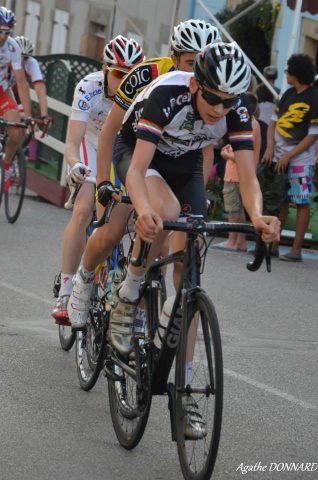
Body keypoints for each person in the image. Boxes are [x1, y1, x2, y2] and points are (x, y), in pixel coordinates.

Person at [67, 19, 221, 326]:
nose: (199, 71)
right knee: (112, 230)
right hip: (134, 151)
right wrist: (104, 182)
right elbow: (110, 132)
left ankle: (138, 308)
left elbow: (204, 150)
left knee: (164, 240)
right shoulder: (146, 75)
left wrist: (194, 199)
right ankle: (83, 281)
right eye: (192, 62)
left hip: (173, 163)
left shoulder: (210, 89)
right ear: (175, 57)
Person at [51, 35, 144, 324]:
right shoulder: (88, 87)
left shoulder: (144, 91)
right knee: (83, 208)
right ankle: (67, 290)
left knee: (131, 212)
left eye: (131, 74)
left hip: (122, 150)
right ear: (105, 70)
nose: (125, 80)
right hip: (90, 146)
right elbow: (72, 141)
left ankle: (118, 274)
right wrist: (75, 165)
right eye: (118, 73)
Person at [262, 53, 318, 262]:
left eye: (287, 70)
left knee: (301, 202)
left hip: (301, 160)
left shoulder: (314, 96)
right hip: (279, 156)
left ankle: (296, 251)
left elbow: (313, 134)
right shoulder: (286, 94)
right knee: (281, 200)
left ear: (296, 73)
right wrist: (270, 148)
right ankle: (273, 246)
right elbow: (273, 123)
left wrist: (289, 156)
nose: (285, 73)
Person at [213, 92, 261, 252]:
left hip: (235, 173)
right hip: (243, 173)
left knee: (234, 210)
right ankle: (240, 241)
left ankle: (232, 240)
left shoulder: (248, 125)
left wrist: (227, 154)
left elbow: (244, 154)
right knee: (240, 210)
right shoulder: (255, 125)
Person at [0, 7, 32, 193]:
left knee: (17, 130)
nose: (3, 36)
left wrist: (27, 116)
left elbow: (21, 82)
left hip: (1, 91)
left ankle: (6, 164)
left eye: (7, 32)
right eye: (0, 31)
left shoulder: (12, 47)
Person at [11, 36, 51, 126]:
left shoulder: (32, 63)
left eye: (25, 58)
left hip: (17, 94)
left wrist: (44, 115)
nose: (20, 61)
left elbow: (40, 89)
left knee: (24, 124)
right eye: (18, 57)